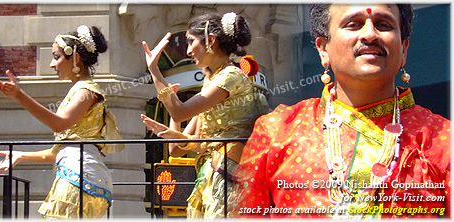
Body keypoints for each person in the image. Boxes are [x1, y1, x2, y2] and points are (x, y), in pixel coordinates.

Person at [232, 4, 450, 219]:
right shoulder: (277, 130)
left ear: (404, 49)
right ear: (323, 49)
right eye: (353, 24)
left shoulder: (442, 139)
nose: (370, 34)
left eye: (383, 25)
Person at [0, 25, 124, 218]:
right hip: (78, 175)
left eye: (56, 57)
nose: (52, 64)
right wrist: (21, 155)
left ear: (75, 58)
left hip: (80, 178)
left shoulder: (87, 91)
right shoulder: (81, 90)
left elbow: (59, 124)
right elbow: (58, 152)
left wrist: (19, 96)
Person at [141, 12, 269, 218]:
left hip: (230, 172)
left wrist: (155, 71)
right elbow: (176, 150)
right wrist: (172, 124)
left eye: (191, 42)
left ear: (210, 40)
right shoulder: (212, 83)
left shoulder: (231, 76)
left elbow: (180, 112)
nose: (188, 50)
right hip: (210, 173)